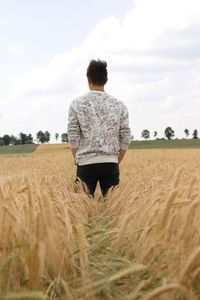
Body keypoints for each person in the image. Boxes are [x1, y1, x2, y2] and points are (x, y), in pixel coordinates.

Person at [67, 59, 131, 197]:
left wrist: (77, 157)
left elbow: (73, 135)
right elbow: (125, 136)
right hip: (111, 162)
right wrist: (116, 159)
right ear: (106, 80)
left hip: (85, 163)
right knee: (114, 208)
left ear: (88, 79)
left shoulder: (76, 104)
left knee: (80, 209)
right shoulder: (120, 105)